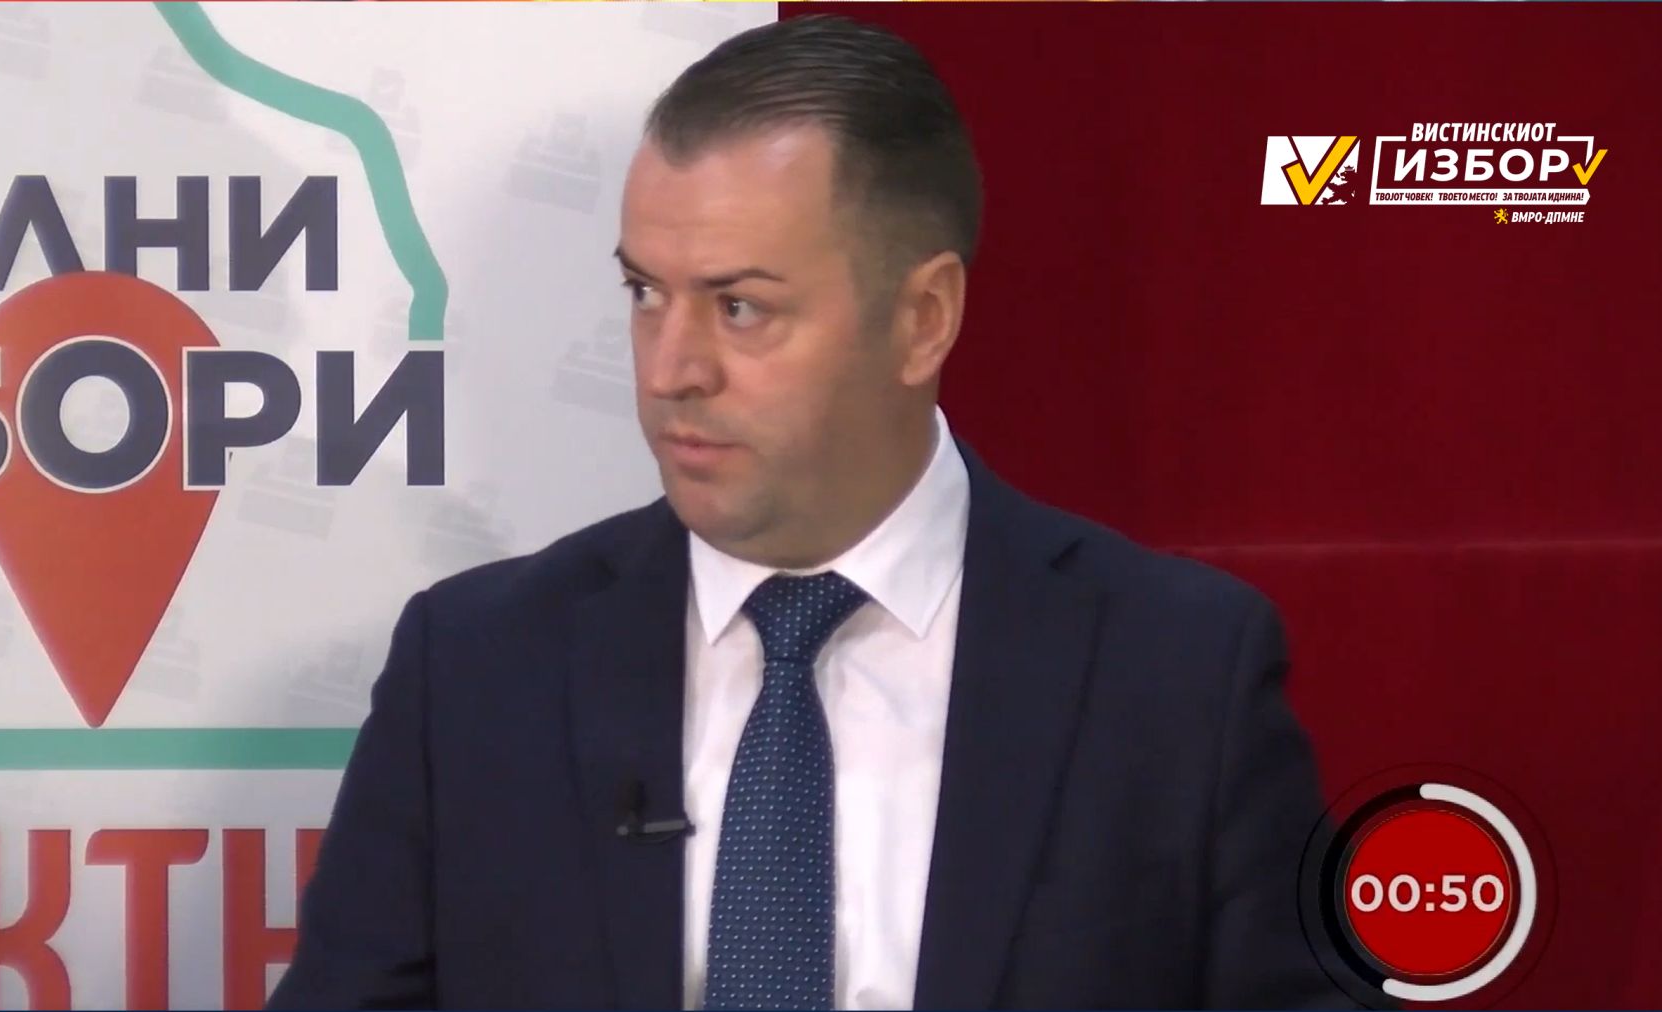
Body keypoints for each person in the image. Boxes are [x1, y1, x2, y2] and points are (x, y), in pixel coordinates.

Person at [270, 15, 1348, 1011]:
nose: (671, 369)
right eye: (645, 294)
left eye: (741, 307)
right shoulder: (476, 669)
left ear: (922, 319)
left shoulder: (1176, 674)